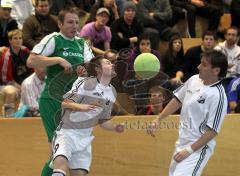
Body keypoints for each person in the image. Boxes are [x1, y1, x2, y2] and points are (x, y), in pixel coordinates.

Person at [27, 7, 94, 176]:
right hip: (52, 100)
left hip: (73, 104)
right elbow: (31, 60)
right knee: (57, 154)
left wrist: (84, 72)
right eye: (70, 22)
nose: (74, 26)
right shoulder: (54, 39)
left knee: (64, 156)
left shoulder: (81, 44)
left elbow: (93, 69)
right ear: (60, 23)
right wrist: (57, 59)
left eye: (77, 22)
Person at [147, 50, 228, 176]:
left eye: (204, 65)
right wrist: (158, 119)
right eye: (200, 63)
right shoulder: (194, 79)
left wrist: (189, 150)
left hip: (198, 149)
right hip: (181, 143)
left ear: (216, 71)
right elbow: (178, 100)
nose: (198, 67)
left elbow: (212, 131)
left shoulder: (219, 96)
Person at [51, 55, 124, 176]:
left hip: (84, 138)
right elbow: (65, 103)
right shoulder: (84, 83)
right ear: (98, 69)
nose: (112, 65)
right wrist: (82, 107)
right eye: (107, 63)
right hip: (67, 133)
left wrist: (115, 127)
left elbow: (103, 121)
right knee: (60, 169)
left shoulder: (112, 92)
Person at [0, 29, 32, 116]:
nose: (18, 41)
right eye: (15, 38)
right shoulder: (7, 55)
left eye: (20, 38)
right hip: (8, 84)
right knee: (11, 92)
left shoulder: (26, 51)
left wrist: (29, 85)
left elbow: (33, 70)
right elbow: (6, 79)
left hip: (24, 83)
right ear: (10, 41)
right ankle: (9, 117)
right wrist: (22, 87)